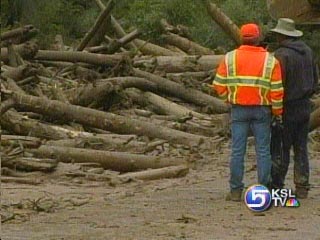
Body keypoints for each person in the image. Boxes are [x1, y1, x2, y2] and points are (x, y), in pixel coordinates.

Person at [212, 23, 284, 201]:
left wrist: (230, 97)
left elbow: (218, 85)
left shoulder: (229, 58)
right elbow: (276, 90)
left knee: (237, 151)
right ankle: (263, 190)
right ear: (258, 38)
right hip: (262, 110)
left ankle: (236, 191)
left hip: (239, 109)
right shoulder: (270, 60)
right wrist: (277, 111)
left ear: (242, 38)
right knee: (263, 151)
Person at [270, 18, 319, 198]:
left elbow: (277, 83)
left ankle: (277, 186)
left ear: (281, 36)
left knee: (282, 147)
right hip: (305, 106)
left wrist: (274, 107)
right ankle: (302, 185)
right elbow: (315, 80)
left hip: (286, 106)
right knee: (301, 147)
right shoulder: (307, 51)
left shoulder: (281, 55)